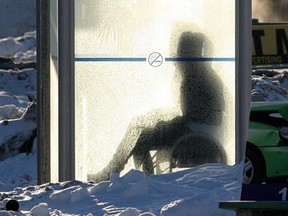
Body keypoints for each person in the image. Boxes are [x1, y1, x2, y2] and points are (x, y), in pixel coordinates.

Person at [89, 31, 227, 183]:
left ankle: (124, 174)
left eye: (180, 49)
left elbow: (194, 115)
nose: (177, 55)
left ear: (187, 50)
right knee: (139, 127)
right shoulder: (204, 72)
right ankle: (132, 174)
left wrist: (167, 122)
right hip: (202, 129)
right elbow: (199, 111)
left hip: (195, 132)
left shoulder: (195, 75)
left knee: (138, 134)